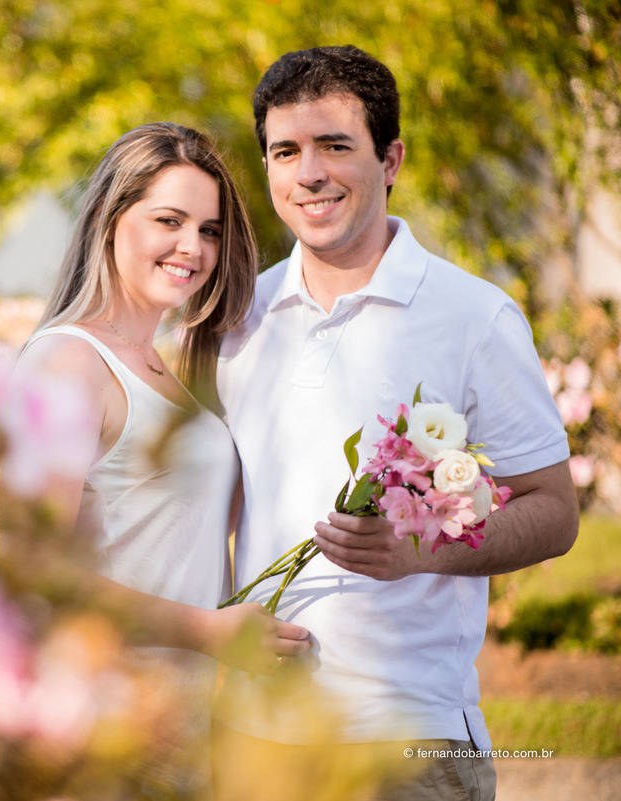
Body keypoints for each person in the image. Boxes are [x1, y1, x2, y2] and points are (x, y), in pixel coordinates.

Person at [214, 46, 579, 801]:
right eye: (286, 151)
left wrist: (424, 549)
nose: (308, 172)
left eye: (335, 146)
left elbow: (554, 510)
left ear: (392, 159)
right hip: (256, 741)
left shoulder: (474, 316)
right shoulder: (236, 317)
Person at [5, 122, 311, 798]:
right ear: (112, 220)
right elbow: (31, 564)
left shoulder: (169, 368)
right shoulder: (69, 362)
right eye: (168, 220)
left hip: (180, 725)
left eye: (208, 230)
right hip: (105, 725)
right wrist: (204, 630)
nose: (192, 247)